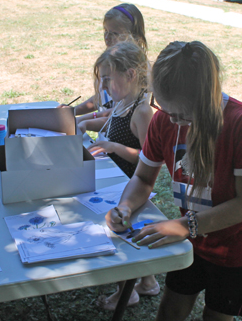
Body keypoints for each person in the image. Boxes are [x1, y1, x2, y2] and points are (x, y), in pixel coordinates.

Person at [106, 41, 242, 321]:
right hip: (193, 239)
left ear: (203, 99)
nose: (173, 120)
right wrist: (125, 206)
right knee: (171, 309)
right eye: (166, 109)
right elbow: (144, 178)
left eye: (182, 115)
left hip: (238, 246)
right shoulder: (164, 121)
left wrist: (184, 225)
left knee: (217, 315)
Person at [84, 41, 158, 309]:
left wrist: (113, 147)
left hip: (129, 187)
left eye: (107, 79)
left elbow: (149, 157)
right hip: (117, 179)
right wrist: (80, 121)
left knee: (119, 235)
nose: (103, 86)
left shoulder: (142, 111)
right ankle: (148, 283)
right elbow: (108, 122)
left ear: (130, 75)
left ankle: (126, 292)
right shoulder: (123, 102)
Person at [69, 3, 147, 118]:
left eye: (114, 33)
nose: (107, 37)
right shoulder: (110, 60)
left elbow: (118, 114)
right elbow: (102, 98)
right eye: (105, 31)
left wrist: (85, 120)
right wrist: (72, 111)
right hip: (106, 133)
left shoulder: (133, 69)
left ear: (132, 35)